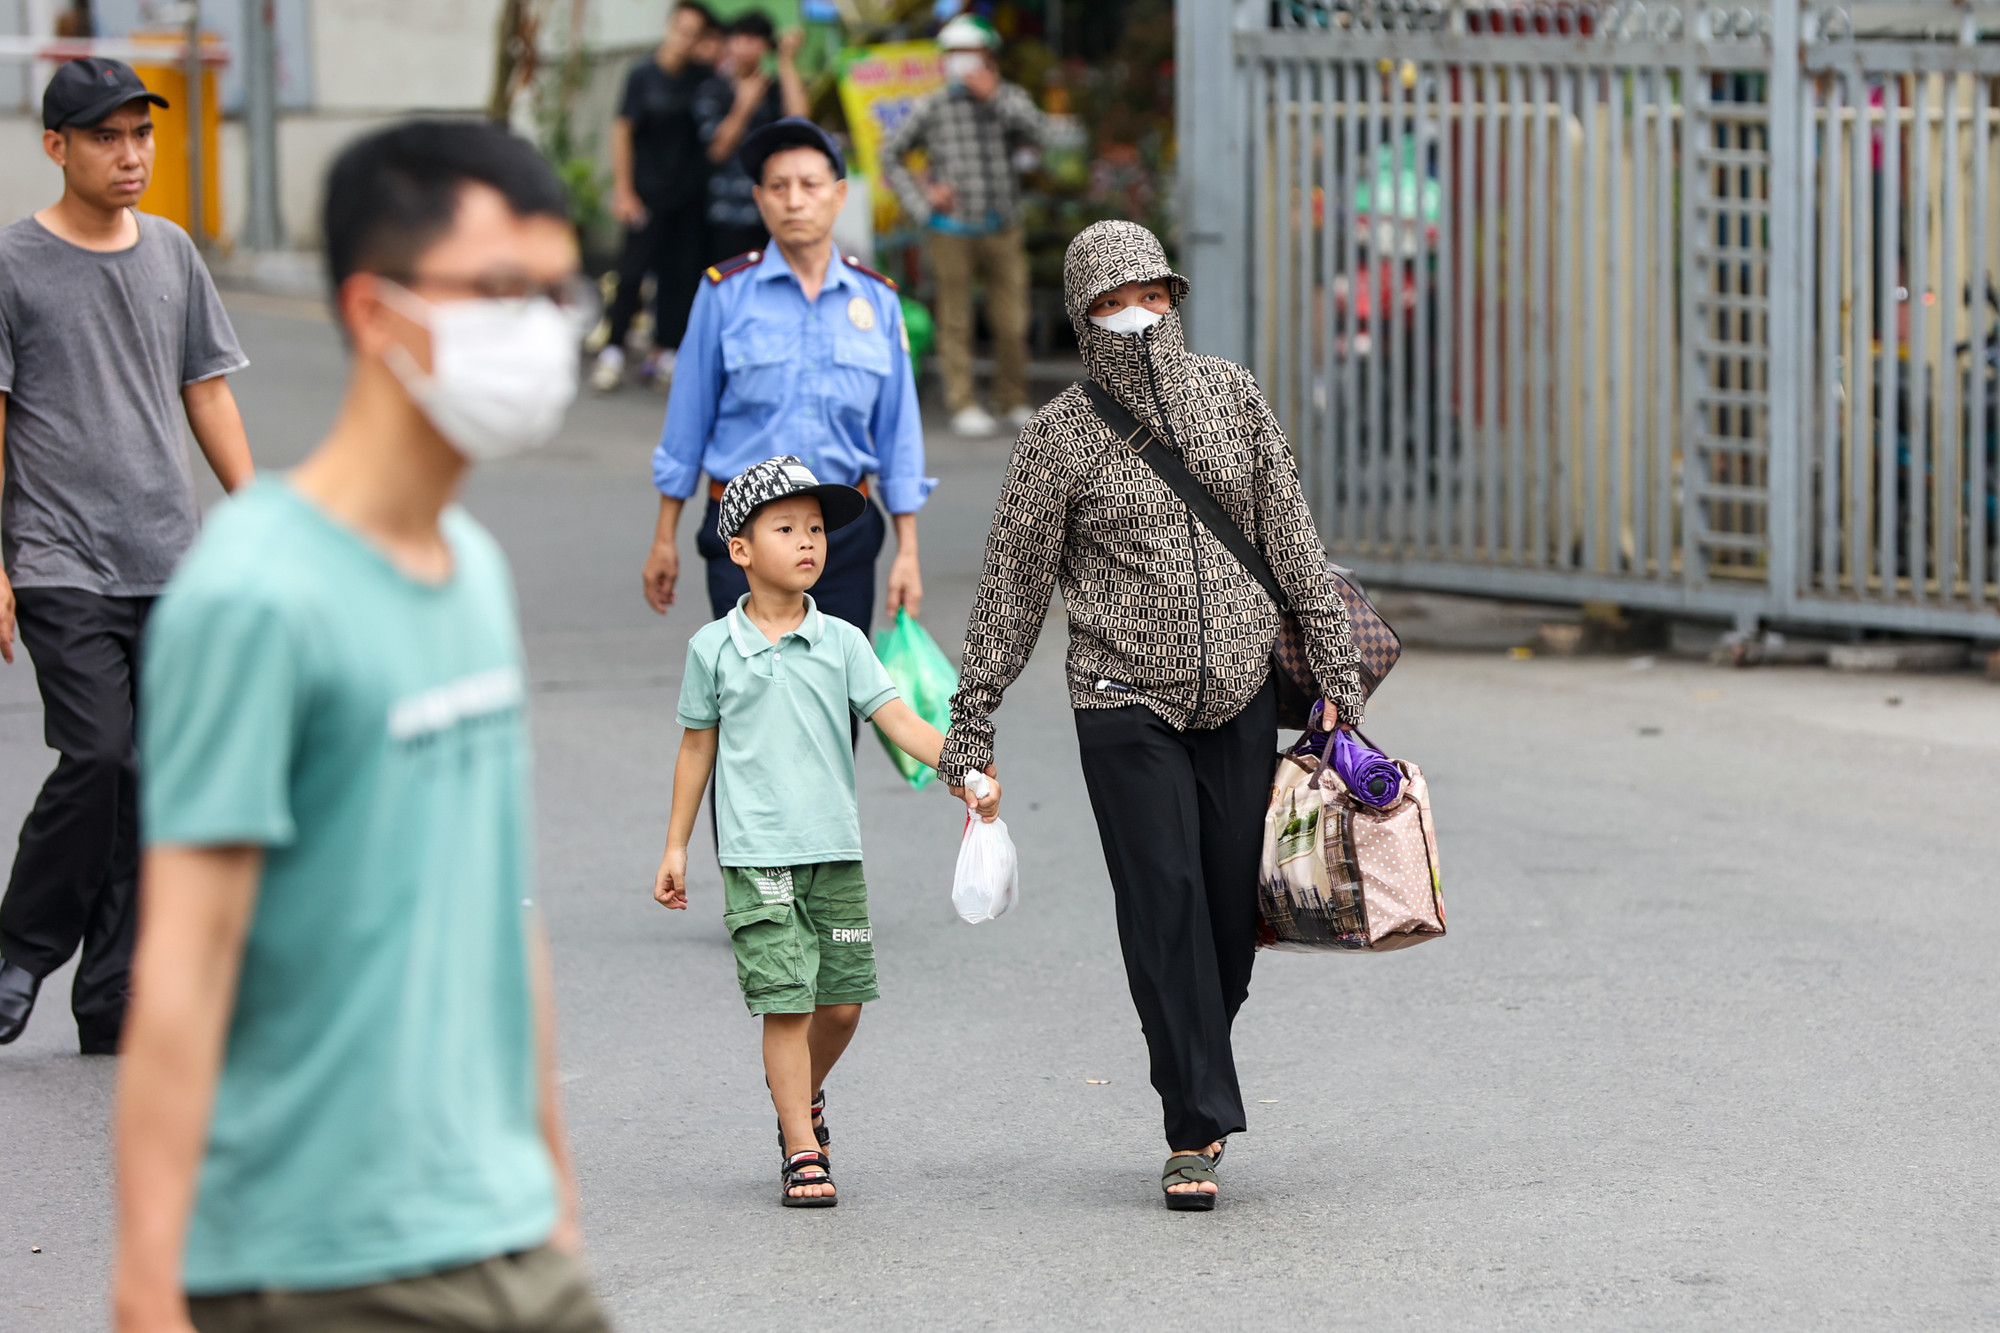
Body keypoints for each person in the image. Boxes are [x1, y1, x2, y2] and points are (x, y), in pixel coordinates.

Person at [110, 121, 610, 1332]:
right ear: (376, 312)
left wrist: (552, 1196)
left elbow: (501, 913)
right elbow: (184, 962)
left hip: (508, 1239)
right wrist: (147, 1290)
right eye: (502, 290)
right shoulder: (255, 594)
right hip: (321, 1263)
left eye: (557, 294)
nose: (542, 331)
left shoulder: (473, 571)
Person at [937, 220, 1369, 1211]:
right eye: (1110, 301)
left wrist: (1334, 661)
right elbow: (1011, 586)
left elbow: (1291, 537)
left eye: (1149, 294)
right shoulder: (1058, 439)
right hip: (1121, 697)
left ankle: (1194, 1059)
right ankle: (1192, 1124)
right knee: (1164, 900)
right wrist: (972, 720)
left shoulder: (1232, 396)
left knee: (1227, 916)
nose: (1134, 314)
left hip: (1240, 692)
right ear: (1081, 316)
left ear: (1173, 297)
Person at [651, 454, 1000, 1207]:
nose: (808, 540)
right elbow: (696, 748)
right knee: (787, 1000)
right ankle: (801, 1149)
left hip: (834, 851)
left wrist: (966, 769)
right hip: (757, 857)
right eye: (785, 528)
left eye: (815, 528)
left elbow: (898, 719)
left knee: (840, 1005)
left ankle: (801, 1093)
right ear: (740, 550)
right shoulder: (713, 648)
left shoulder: (843, 640)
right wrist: (677, 846)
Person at [0, 58, 253, 1056]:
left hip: (168, 557)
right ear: (56, 147)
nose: (130, 154)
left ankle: (111, 993)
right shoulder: (13, 262)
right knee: (101, 751)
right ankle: (22, 948)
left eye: (140, 134)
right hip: (58, 555)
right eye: (106, 137)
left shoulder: (172, 251)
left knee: (152, 777)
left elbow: (207, 390)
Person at [643, 117, 930, 639]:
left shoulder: (877, 300)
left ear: (839, 195)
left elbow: (898, 433)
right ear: (759, 199)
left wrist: (907, 552)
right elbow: (687, 421)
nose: (794, 201)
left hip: (843, 536)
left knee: (836, 688)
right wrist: (665, 538)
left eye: (810, 185)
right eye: (779, 187)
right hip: (745, 533)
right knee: (751, 687)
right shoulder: (724, 293)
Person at [880, 14, 1046, 438]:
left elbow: (1041, 136)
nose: (960, 60)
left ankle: (1011, 398)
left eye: (968, 52)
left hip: (1003, 224)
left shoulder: (1010, 98)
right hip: (950, 228)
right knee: (956, 321)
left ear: (987, 56)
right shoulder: (933, 105)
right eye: (952, 53)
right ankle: (963, 402)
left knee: (1013, 321)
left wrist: (995, 97)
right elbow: (890, 154)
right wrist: (924, 199)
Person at [592, 0, 721, 394]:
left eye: (693, 34)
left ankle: (664, 352)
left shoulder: (704, 78)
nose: (685, 39)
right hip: (646, 192)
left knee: (679, 276)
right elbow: (622, 131)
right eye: (680, 29)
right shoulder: (642, 74)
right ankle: (613, 350)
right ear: (669, 27)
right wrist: (624, 189)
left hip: (688, 195)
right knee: (631, 273)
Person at [693, 14, 808, 264]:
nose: (747, 46)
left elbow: (799, 121)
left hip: (774, 208)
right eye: (741, 38)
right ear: (729, 43)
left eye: (756, 39)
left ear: (766, 46)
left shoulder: (772, 90)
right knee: (731, 279)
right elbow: (718, 151)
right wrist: (744, 106)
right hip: (728, 211)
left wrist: (786, 60)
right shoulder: (713, 90)